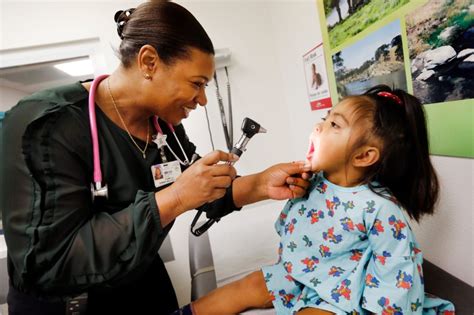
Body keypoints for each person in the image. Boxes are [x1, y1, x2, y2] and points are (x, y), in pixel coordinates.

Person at [0, 2, 312, 314]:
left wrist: (260, 185)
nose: (202, 100)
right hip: (73, 306)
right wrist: (175, 198)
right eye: (197, 84)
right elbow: (51, 262)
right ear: (149, 62)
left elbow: (201, 188)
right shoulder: (44, 126)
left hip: (143, 286)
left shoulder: (164, 127)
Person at [188, 85, 455, 314]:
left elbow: (397, 273)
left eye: (334, 124)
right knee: (246, 287)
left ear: (363, 156)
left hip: (339, 292)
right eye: (326, 119)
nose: (318, 126)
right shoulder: (313, 182)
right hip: (297, 275)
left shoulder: (380, 208)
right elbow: (291, 229)